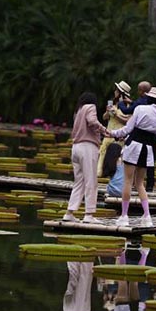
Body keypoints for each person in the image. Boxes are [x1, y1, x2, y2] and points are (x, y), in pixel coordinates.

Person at [107, 87, 156, 227]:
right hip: (147, 150)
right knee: (140, 183)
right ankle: (147, 217)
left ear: (150, 98)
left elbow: (127, 129)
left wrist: (112, 133)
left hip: (134, 146)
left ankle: (124, 216)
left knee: (128, 181)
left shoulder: (140, 109)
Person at [63, 92, 108, 223]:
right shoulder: (90, 107)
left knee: (79, 182)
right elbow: (92, 121)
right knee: (91, 181)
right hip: (87, 146)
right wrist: (104, 130)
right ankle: (89, 214)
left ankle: (69, 212)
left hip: (76, 147)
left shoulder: (78, 110)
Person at [98, 80, 131, 177]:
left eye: (116, 90)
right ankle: (101, 173)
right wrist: (108, 111)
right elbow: (104, 118)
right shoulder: (113, 103)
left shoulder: (129, 105)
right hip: (109, 131)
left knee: (116, 155)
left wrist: (115, 114)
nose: (114, 92)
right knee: (103, 152)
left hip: (119, 133)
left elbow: (128, 121)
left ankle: (114, 176)